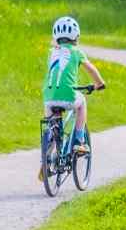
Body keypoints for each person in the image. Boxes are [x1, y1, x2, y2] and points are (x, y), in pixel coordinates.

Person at [40, 16, 105, 175]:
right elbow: (90, 68)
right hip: (68, 95)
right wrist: (99, 83)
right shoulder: (76, 52)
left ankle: (47, 155)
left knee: (52, 124)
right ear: (76, 36)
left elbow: (54, 47)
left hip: (48, 97)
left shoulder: (51, 52)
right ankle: (79, 140)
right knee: (81, 103)